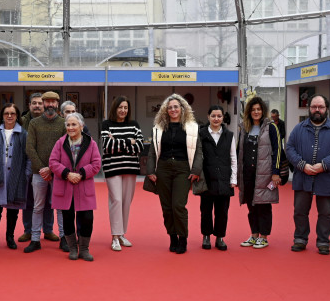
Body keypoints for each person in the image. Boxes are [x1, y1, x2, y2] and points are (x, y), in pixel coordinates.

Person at [286, 95, 330, 255]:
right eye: (314, 107)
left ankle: (323, 242)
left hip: (326, 177)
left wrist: (324, 165)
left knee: (326, 213)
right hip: (303, 176)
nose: (317, 110)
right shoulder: (299, 128)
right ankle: (300, 239)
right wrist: (302, 165)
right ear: (309, 108)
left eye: (320, 107)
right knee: (299, 211)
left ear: (326, 108)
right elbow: (290, 148)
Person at [146, 94, 202, 254]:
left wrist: (196, 170)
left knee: (178, 205)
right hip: (163, 168)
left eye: (176, 106)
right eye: (170, 107)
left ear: (182, 109)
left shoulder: (192, 127)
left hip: (183, 169)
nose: (173, 109)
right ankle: (172, 237)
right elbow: (151, 152)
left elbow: (198, 151)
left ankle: (183, 238)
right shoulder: (158, 128)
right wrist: (150, 170)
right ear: (165, 110)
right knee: (166, 207)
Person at [49, 112, 102, 261]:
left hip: (83, 186)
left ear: (81, 126)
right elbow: (53, 162)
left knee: (87, 218)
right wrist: (67, 174)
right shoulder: (60, 142)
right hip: (65, 186)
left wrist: (81, 173)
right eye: (68, 125)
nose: (71, 127)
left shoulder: (91, 143)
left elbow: (96, 164)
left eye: (74, 124)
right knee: (67, 218)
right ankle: (72, 248)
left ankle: (84, 249)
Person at [0, 103, 32, 251]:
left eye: (13, 113)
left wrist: (26, 172)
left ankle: (10, 237)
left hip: (16, 178)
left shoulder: (23, 133)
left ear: (17, 116)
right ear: (2, 116)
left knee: (13, 210)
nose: (9, 116)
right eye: (6, 113)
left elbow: (29, 156)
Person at [25, 91, 68, 253]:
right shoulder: (34, 123)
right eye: (47, 102)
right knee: (38, 207)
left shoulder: (64, 123)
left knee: (60, 207)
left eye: (53, 102)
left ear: (57, 104)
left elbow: (65, 148)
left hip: (58, 173)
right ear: (43, 104)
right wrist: (42, 168)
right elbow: (30, 147)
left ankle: (64, 238)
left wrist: (51, 168)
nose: (50, 105)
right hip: (38, 173)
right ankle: (35, 239)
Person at [100, 95, 143, 251]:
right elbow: (107, 145)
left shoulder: (134, 125)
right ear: (115, 108)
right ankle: (115, 237)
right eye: (120, 107)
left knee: (126, 201)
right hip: (112, 167)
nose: (123, 110)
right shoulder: (107, 124)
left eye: (125, 107)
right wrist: (128, 142)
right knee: (116, 200)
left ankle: (122, 233)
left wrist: (117, 141)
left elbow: (139, 146)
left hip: (130, 168)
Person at [237, 97, 280, 250]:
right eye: (253, 109)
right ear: (249, 111)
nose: (256, 112)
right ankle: (254, 234)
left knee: (264, 206)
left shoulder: (271, 127)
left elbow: (277, 150)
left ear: (263, 111)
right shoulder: (244, 128)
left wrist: (276, 172)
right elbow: (239, 151)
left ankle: (264, 236)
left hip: (265, 173)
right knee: (251, 205)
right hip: (248, 173)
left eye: (258, 109)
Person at [18, 92, 56, 243]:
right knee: (28, 200)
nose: (38, 106)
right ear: (29, 105)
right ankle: (28, 230)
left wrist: (49, 167)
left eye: (40, 103)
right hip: (27, 167)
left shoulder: (52, 121)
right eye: (34, 103)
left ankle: (48, 230)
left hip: (49, 168)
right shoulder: (22, 122)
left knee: (49, 200)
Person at [198, 105, 237, 251]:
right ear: (208, 117)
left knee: (222, 211)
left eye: (219, 116)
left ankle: (220, 237)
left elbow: (233, 158)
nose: (216, 119)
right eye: (213, 116)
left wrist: (233, 179)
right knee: (206, 210)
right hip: (206, 179)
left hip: (224, 179)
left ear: (223, 118)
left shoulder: (229, 135)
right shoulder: (201, 134)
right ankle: (206, 236)